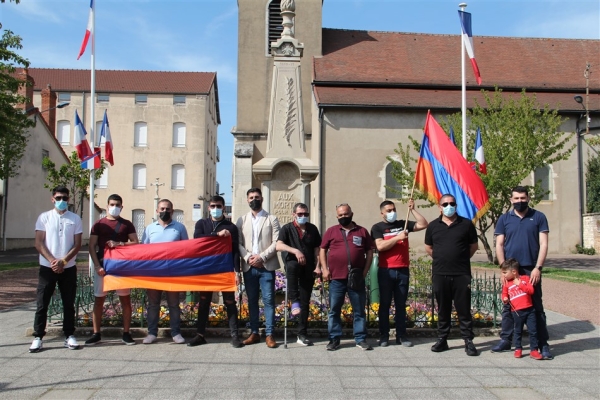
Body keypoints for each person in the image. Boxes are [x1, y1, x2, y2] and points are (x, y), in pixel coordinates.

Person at [493, 186, 552, 359]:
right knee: (508, 306)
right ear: (511, 200)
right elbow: (499, 244)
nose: (520, 201)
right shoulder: (504, 219)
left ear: (528, 198)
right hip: (511, 270)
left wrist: (538, 267)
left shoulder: (539, 217)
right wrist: (504, 270)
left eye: (523, 198)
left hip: (530, 269)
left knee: (536, 307)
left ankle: (543, 344)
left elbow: (544, 244)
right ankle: (506, 340)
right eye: (516, 199)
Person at [424, 194, 479, 356]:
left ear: (456, 205)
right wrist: (443, 259)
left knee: (464, 309)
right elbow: (429, 248)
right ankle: (442, 339)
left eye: (452, 203)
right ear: (440, 207)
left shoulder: (466, 224)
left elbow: (473, 247)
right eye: (445, 204)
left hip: (461, 274)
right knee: (443, 308)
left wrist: (459, 259)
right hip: (440, 273)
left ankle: (468, 340)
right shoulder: (433, 226)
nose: (449, 206)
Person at [29, 186, 83, 353]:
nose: (62, 201)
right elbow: (39, 242)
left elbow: (77, 243)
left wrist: (64, 261)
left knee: (69, 303)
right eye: (58, 198)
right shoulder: (44, 217)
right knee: (42, 303)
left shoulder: (75, 219)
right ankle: (38, 337)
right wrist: (53, 261)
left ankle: (69, 335)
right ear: (52, 199)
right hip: (47, 267)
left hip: (69, 267)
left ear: (68, 200)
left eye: (65, 198)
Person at [188, 195, 244, 348]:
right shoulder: (202, 223)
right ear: (208, 208)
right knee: (204, 301)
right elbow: (197, 239)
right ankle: (200, 335)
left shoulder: (231, 227)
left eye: (218, 206)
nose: (215, 209)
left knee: (229, 301)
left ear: (223, 208)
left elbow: (234, 251)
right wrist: (216, 235)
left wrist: (236, 272)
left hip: (224, 269)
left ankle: (235, 335)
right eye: (213, 206)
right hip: (206, 269)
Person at [370, 199, 428, 348]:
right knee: (384, 304)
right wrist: (397, 238)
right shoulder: (377, 228)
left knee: (401, 305)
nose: (392, 213)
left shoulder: (403, 223)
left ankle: (401, 335)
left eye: (393, 209)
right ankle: (384, 335)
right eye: (388, 211)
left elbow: (423, 224)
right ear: (382, 213)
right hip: (386, 270)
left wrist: (413, 209)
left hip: (403, 270)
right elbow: (380, 246)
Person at [84, 194, 139, 346]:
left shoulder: (126, 224)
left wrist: (120, 243)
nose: (115, 207)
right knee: (99, 300)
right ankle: (96, 333)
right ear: (107, 206)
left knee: (125, 300)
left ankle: (126, 333)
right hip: (102, 266)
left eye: (118, 205)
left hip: (121, 267)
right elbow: (91, 246)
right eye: (112, 204)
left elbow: (135, 242)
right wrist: (97, 266)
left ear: (122, 207)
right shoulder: (98, 224)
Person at [320, 203, 374, 351]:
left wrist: (365, 271)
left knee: (359, 310)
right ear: (337, 216)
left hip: (356, 277)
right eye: (340, 215)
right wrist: (324, 269)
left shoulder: (362, 231)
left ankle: (360, 339)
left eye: (346, 214)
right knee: (334, 310)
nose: (343, 217)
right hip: (336, 278)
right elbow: (322, 250)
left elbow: (370, 252)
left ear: (351, 213)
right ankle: (334, 339)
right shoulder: (331, 231)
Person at [236, 188, 281, 348]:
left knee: (269, 300)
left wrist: (262, 256)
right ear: (247, 200)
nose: (254, 199)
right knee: (252, 301)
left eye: (256, 197)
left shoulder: (272, 219)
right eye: (251, 197)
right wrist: (248, 257)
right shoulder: (241, 220)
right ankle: (254, 333)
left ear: (261, 198)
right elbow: (238, 243)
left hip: (266, 265)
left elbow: (277, 242)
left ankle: (269, 334)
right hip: (249, 266)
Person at [141, 199, 189, 344]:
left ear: (172, 211)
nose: (164, 211)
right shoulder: (149, 228)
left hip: (173, 273)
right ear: (157, 211)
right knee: (153, 304)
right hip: (154, 273)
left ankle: (176, 333)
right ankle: (152, 333)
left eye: (168, 209)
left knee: (173, 304)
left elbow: (186, 249)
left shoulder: (180, 228)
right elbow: (143, 250)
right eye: (162, 209)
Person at [276, 202, 322, 346]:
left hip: (308, 267)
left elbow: (318, 249)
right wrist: (295, 251)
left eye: (305, 214)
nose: (303, 216)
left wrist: (318, 266)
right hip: (293, 265)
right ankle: (293, 300)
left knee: (305, 302)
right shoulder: (287, 228)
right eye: (300, 214)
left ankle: (301, 334)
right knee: (292, 265)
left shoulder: (312, 229)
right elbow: (278, 245)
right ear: (294, 214)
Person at [500, 258, 543, 360]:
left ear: (514, 272)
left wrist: (520, 284)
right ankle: (518, 348)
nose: (503, 275)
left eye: (505, 272)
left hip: (529, 309)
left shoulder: (525, 279)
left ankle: (534, 350)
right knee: (517, 331)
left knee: (533, 331)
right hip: (517, 311)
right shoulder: (507, 284)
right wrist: (505, 298)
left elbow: (531, 290)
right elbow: (504, 294)